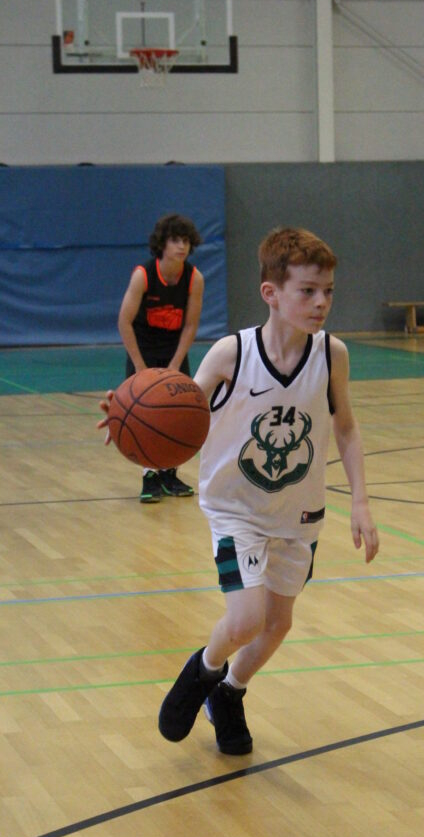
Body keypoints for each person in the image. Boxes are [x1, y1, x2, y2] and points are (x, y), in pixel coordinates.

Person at [154, 226, 380, 755]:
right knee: (245, 619)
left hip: (298, 513)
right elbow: (177, 409)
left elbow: (346, 428)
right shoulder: (230, 354)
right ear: (271, 293)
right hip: (235, 509)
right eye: (308, 291)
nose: (321, 302)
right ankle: (204, 670)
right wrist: (131, 415)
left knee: (277, 625)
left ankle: (229, 693)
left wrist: (361, 502)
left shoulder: (333, 355)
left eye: (328, 291)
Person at [118, 213, 204, 503]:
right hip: (143, 347)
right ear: (162, 244)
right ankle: (149, 475)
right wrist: (139, 366)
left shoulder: (194, 278)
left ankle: (169, 473)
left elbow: (190, 325)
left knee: (178, 413)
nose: (182, 246)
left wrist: (176, 364)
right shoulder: (143, 275)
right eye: (175, 240)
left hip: (173, 348)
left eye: (186, 241)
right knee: (144, 414)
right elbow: (124, 322)